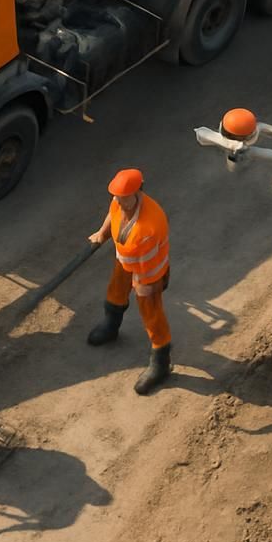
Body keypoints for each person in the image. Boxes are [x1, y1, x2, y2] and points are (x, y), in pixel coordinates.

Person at [87, 168, 173, 394]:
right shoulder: (119, 203)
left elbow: (149, 259)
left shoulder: (149, 226)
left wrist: (146, 285)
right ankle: (111, 326)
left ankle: (161, 361)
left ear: (138, 192)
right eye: (115, 196)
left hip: (148, 273)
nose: (117, 200)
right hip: (126, 261)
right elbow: (112, 215)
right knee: (114, 293)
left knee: (152, 316)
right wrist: (102, 234)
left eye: (122, 197)